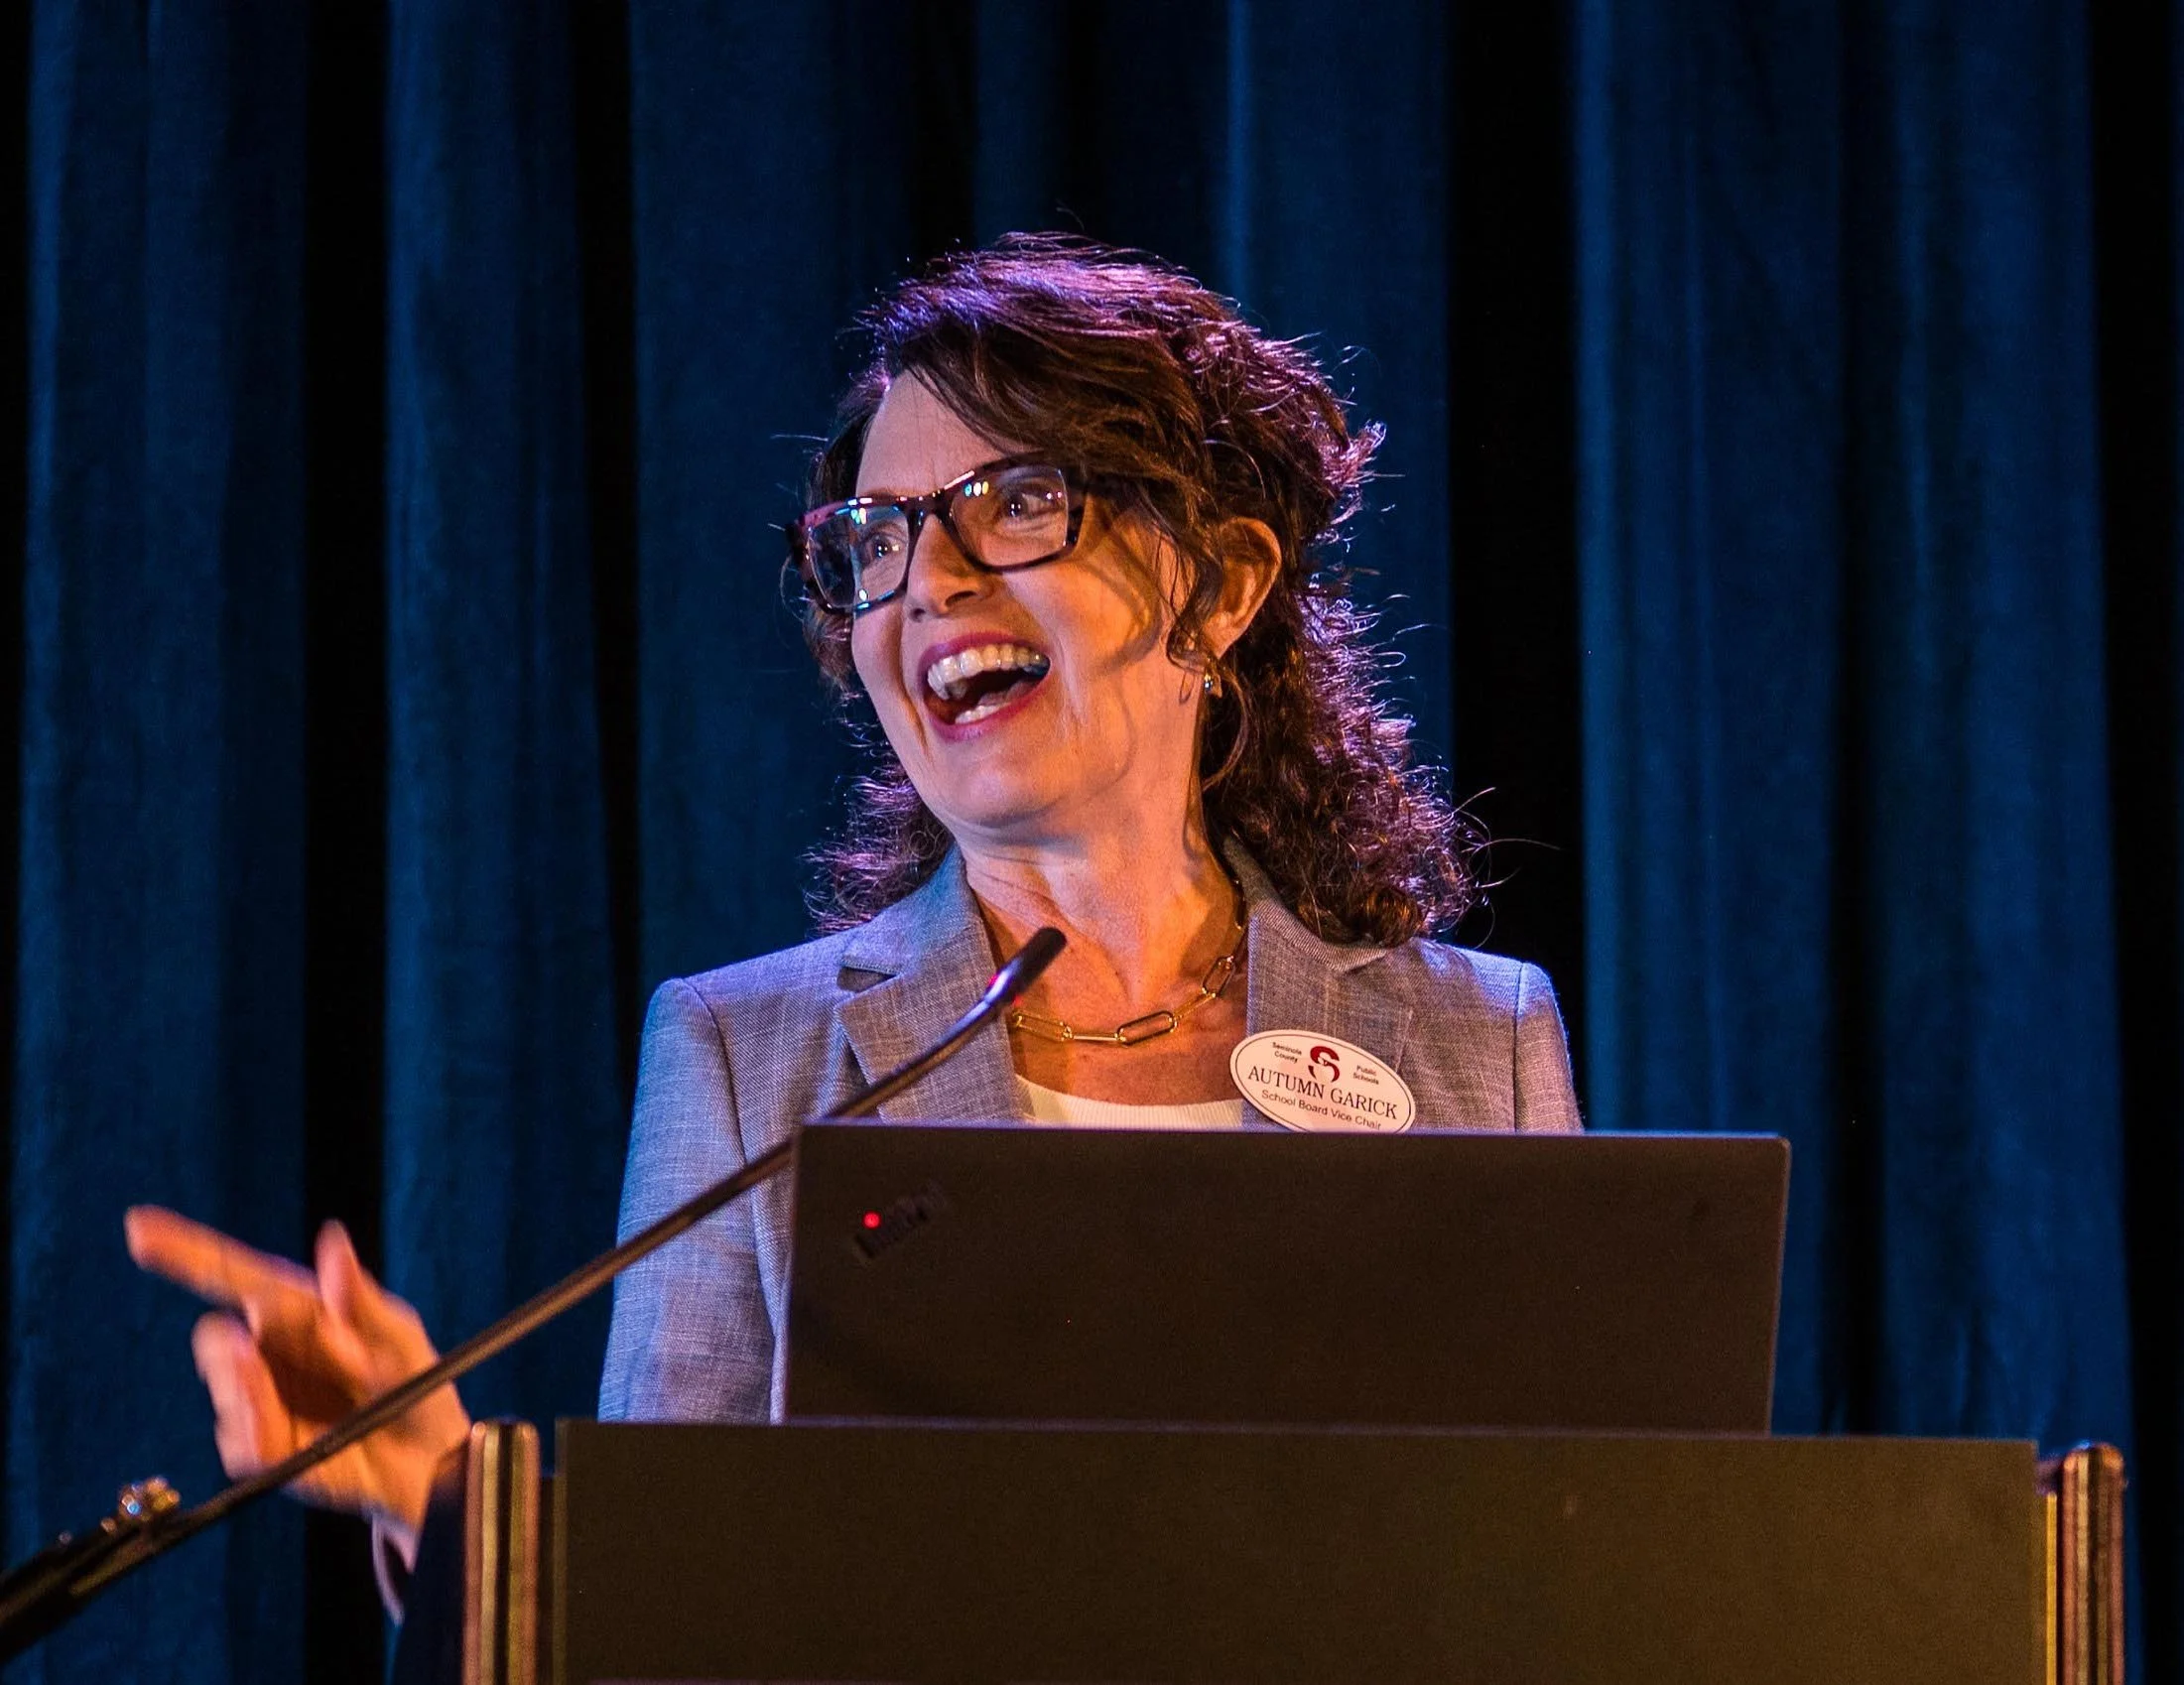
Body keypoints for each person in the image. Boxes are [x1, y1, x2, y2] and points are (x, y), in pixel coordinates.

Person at [125, 234, 1581, 1576]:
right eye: (877, 535)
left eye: (1017, 500)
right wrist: (445, 1495)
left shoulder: (1477, 1044)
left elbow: (1579, 1571)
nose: (926, 580)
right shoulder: (750, 1059)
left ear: (1219, 584)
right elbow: (670, 1615)